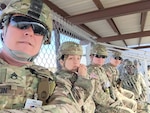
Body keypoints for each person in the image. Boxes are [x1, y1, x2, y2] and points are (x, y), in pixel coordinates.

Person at [0, 0, 83, 113]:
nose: (29, 32)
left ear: (44, 40)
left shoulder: (49, 78)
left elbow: (70, 107)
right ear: (4, 29)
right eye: (21, 24)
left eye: (39, 30)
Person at [87, 43, 135, 113]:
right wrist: (114, 102)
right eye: (98, 56)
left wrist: (115, 99)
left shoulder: (101, 70)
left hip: (107, 100)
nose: (101, 59)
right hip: (98, 106)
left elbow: (109, 86)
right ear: (91, 57)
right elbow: (97, 95)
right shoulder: (90, 71)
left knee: (131, 105)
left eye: (103, 57)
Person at [55, 41, 95, 113]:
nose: (76, 62)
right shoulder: (58, 79)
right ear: (61, 61)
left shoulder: (77, 75)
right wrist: (82, 78)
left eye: (78, 58)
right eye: (71, 58)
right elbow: (74, 104)